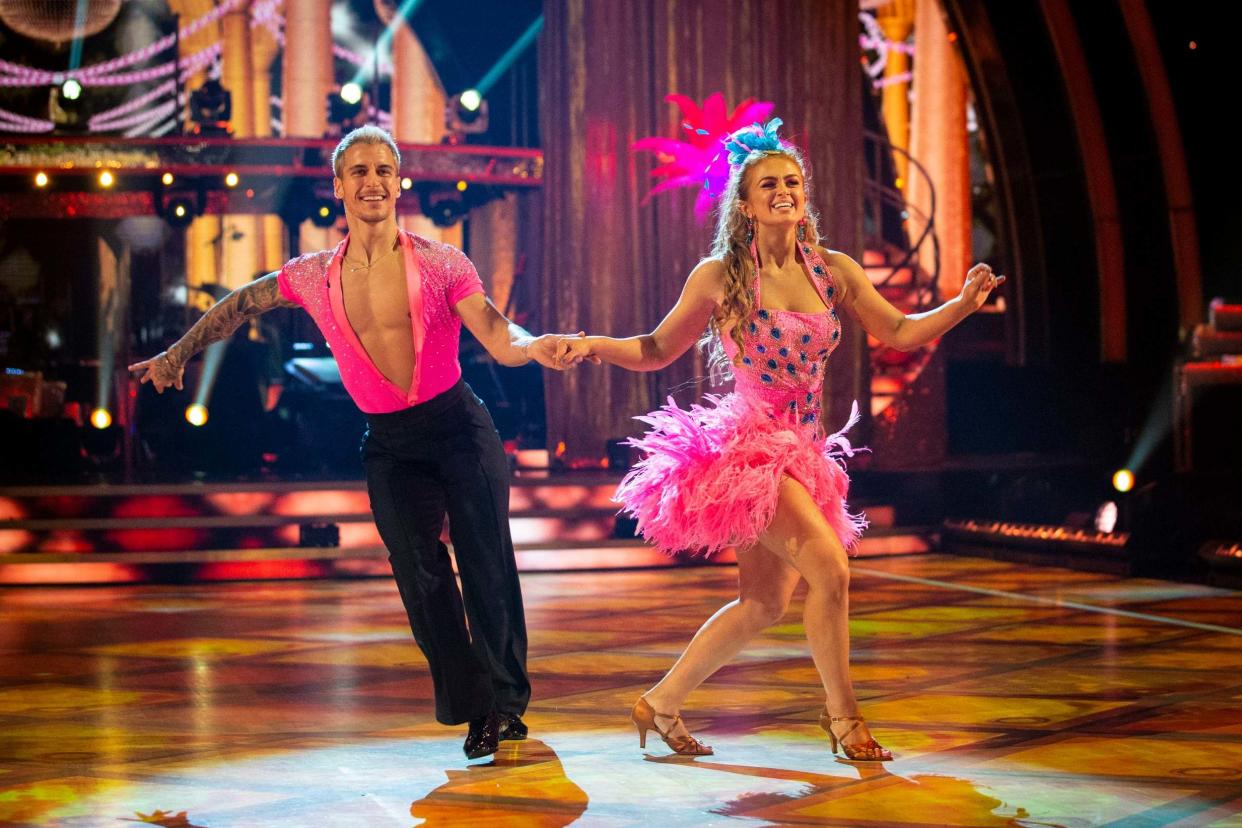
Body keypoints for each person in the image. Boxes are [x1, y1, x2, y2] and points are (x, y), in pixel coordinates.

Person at [558, 120, 1003, 762]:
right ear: (745, 203)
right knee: (830, 569)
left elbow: (901, 332)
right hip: (749, 452)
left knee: (763, 603)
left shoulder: (835, 272)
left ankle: (659, 703)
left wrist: (961, 304)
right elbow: (656, 348)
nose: (784, 191)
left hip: (808, 453)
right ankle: (844, 718)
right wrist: (594, 344)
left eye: (792, 181)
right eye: (769, 183)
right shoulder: (720, 276)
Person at [130, 125, 578, 760]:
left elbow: (499, 334)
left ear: (400, 183)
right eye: (359, 171)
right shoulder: (312, 276)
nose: (373, 181)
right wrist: (179, 351)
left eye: (383, 170)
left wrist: (539, 348)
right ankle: (473, 704)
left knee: (485, 564)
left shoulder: (444, 261)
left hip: (457, 428)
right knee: (419, 575)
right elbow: (240, 304)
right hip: (392, 445)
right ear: (338, 187)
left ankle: (505, 707)